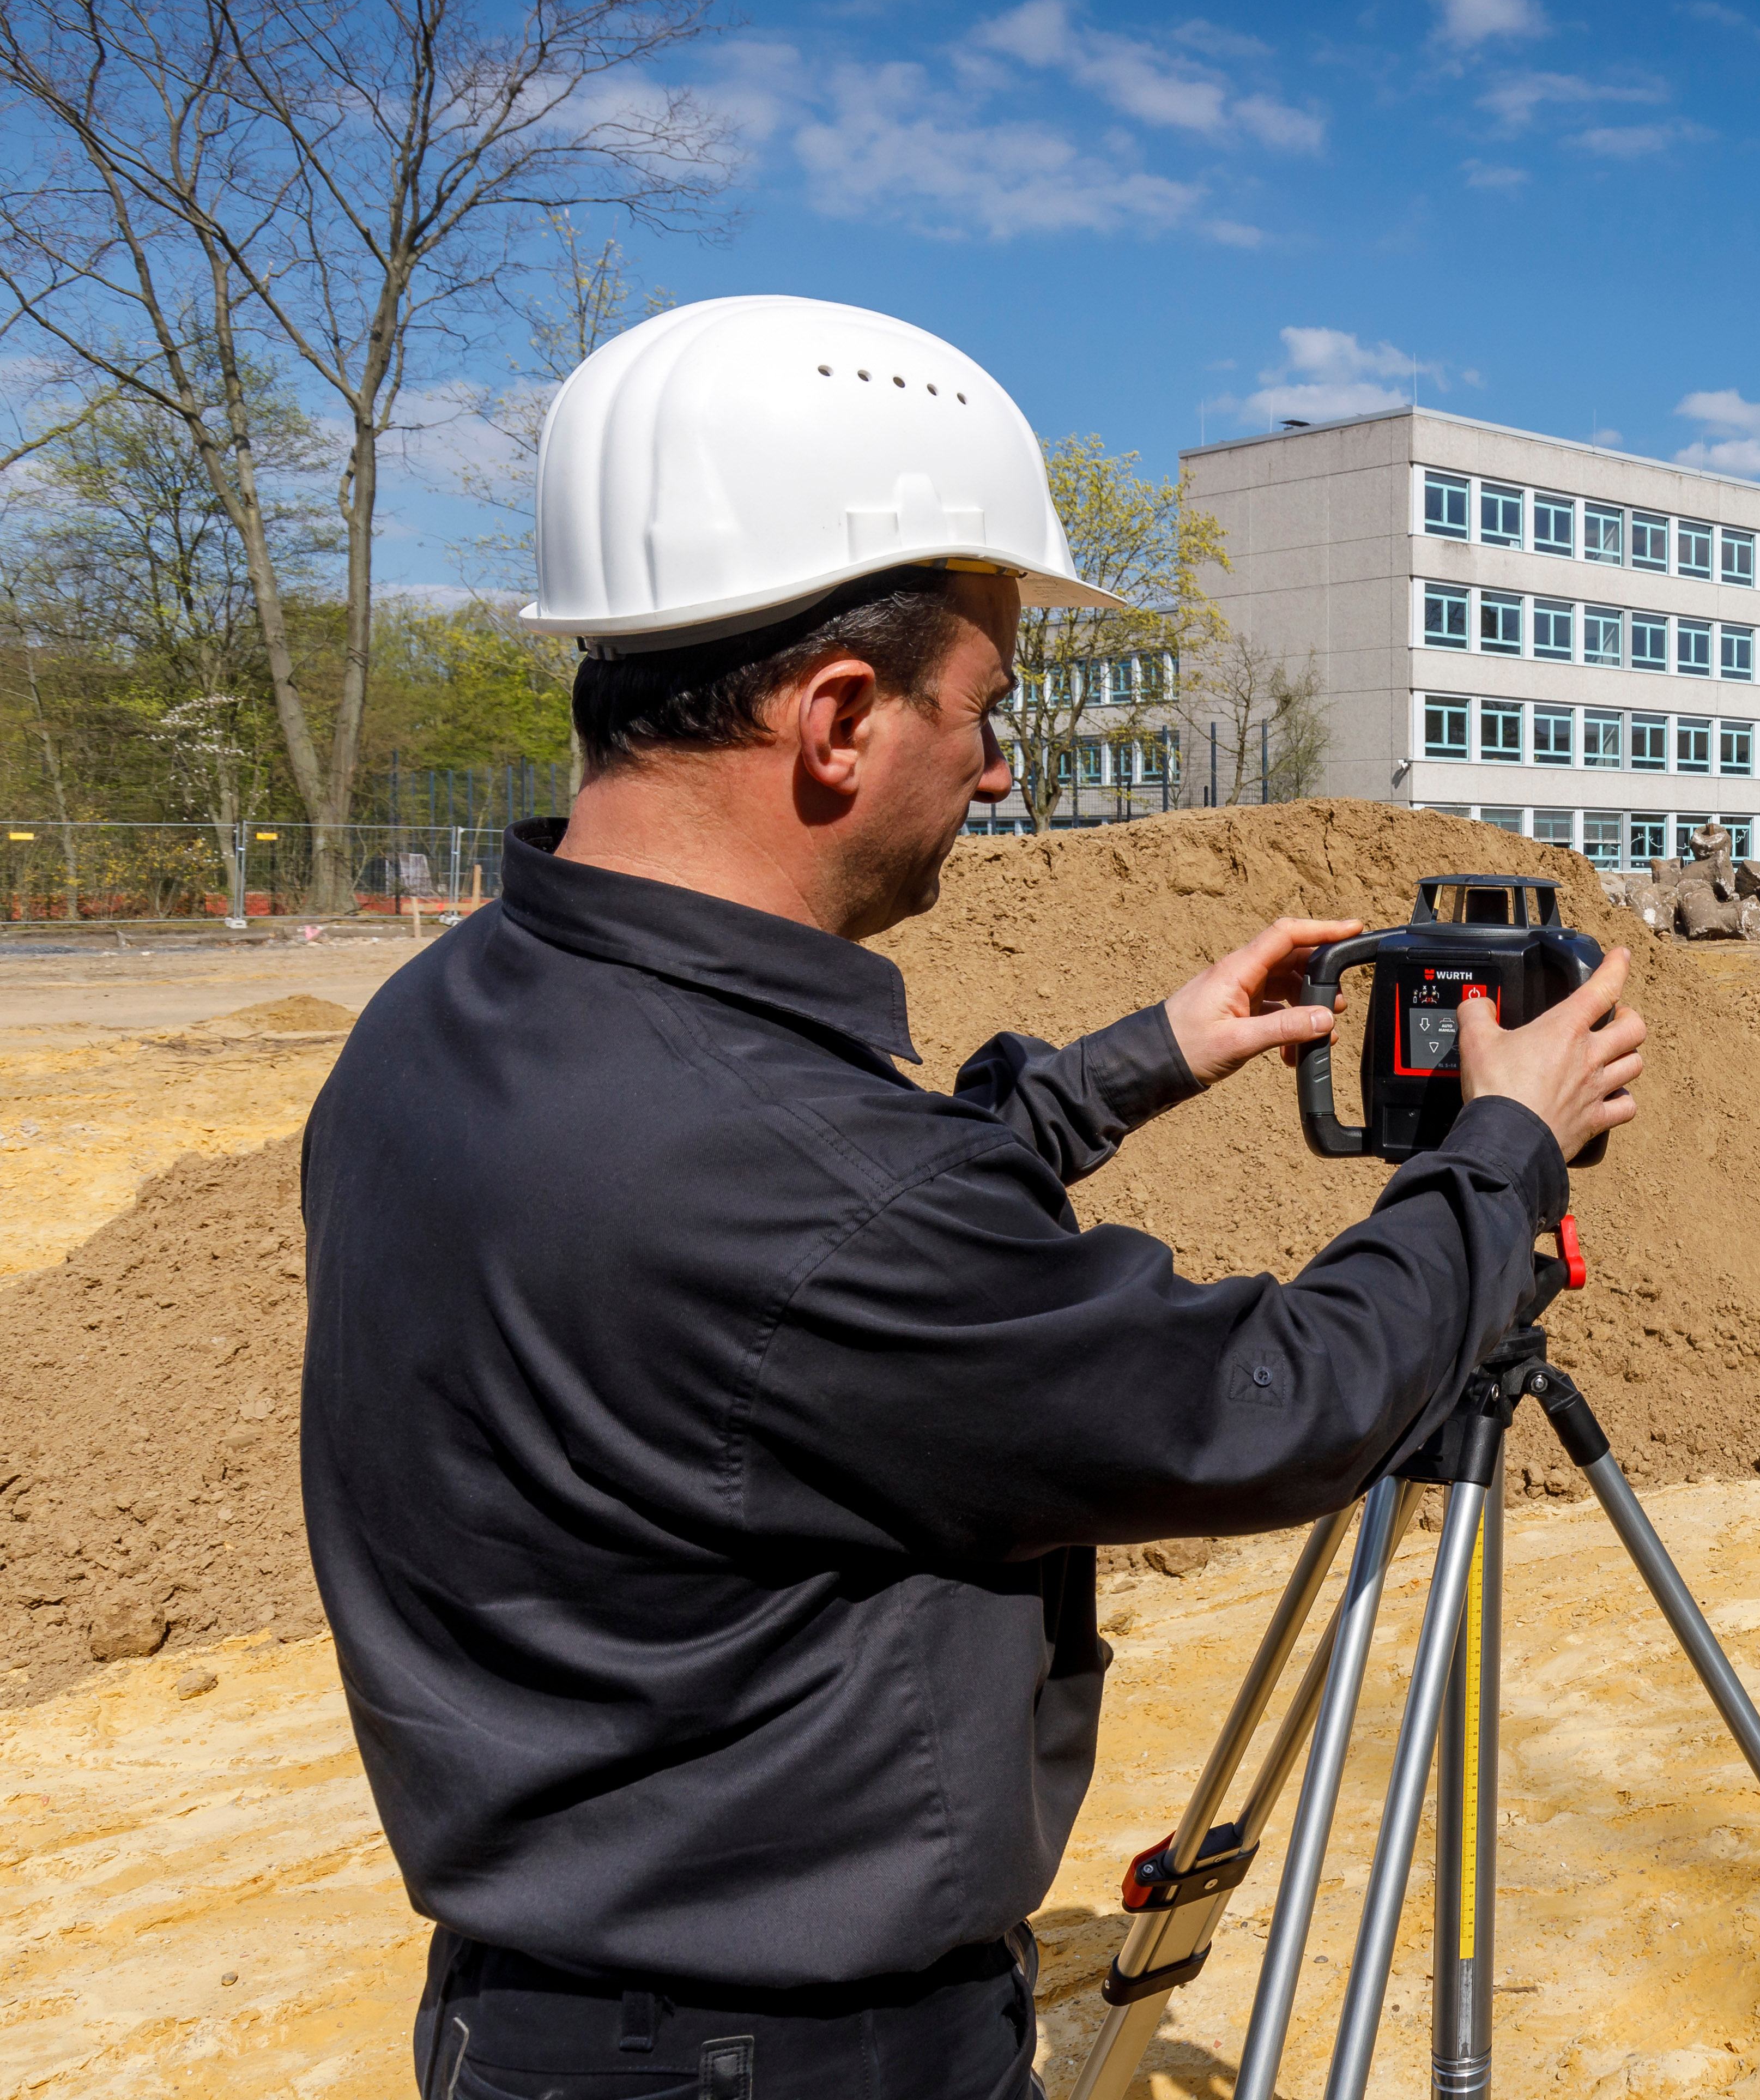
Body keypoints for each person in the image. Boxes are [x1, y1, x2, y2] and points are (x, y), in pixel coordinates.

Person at [298, 295, 1644, 2100]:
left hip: (528, 2017)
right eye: (987, 710)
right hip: (791, 2061)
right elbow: (1271, 1412)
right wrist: (1507, 1148)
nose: (1003, 769)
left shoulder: (443, 1026)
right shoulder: (805, 1189)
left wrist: (1135, 1060)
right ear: (839, 718)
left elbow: (789, 1314)